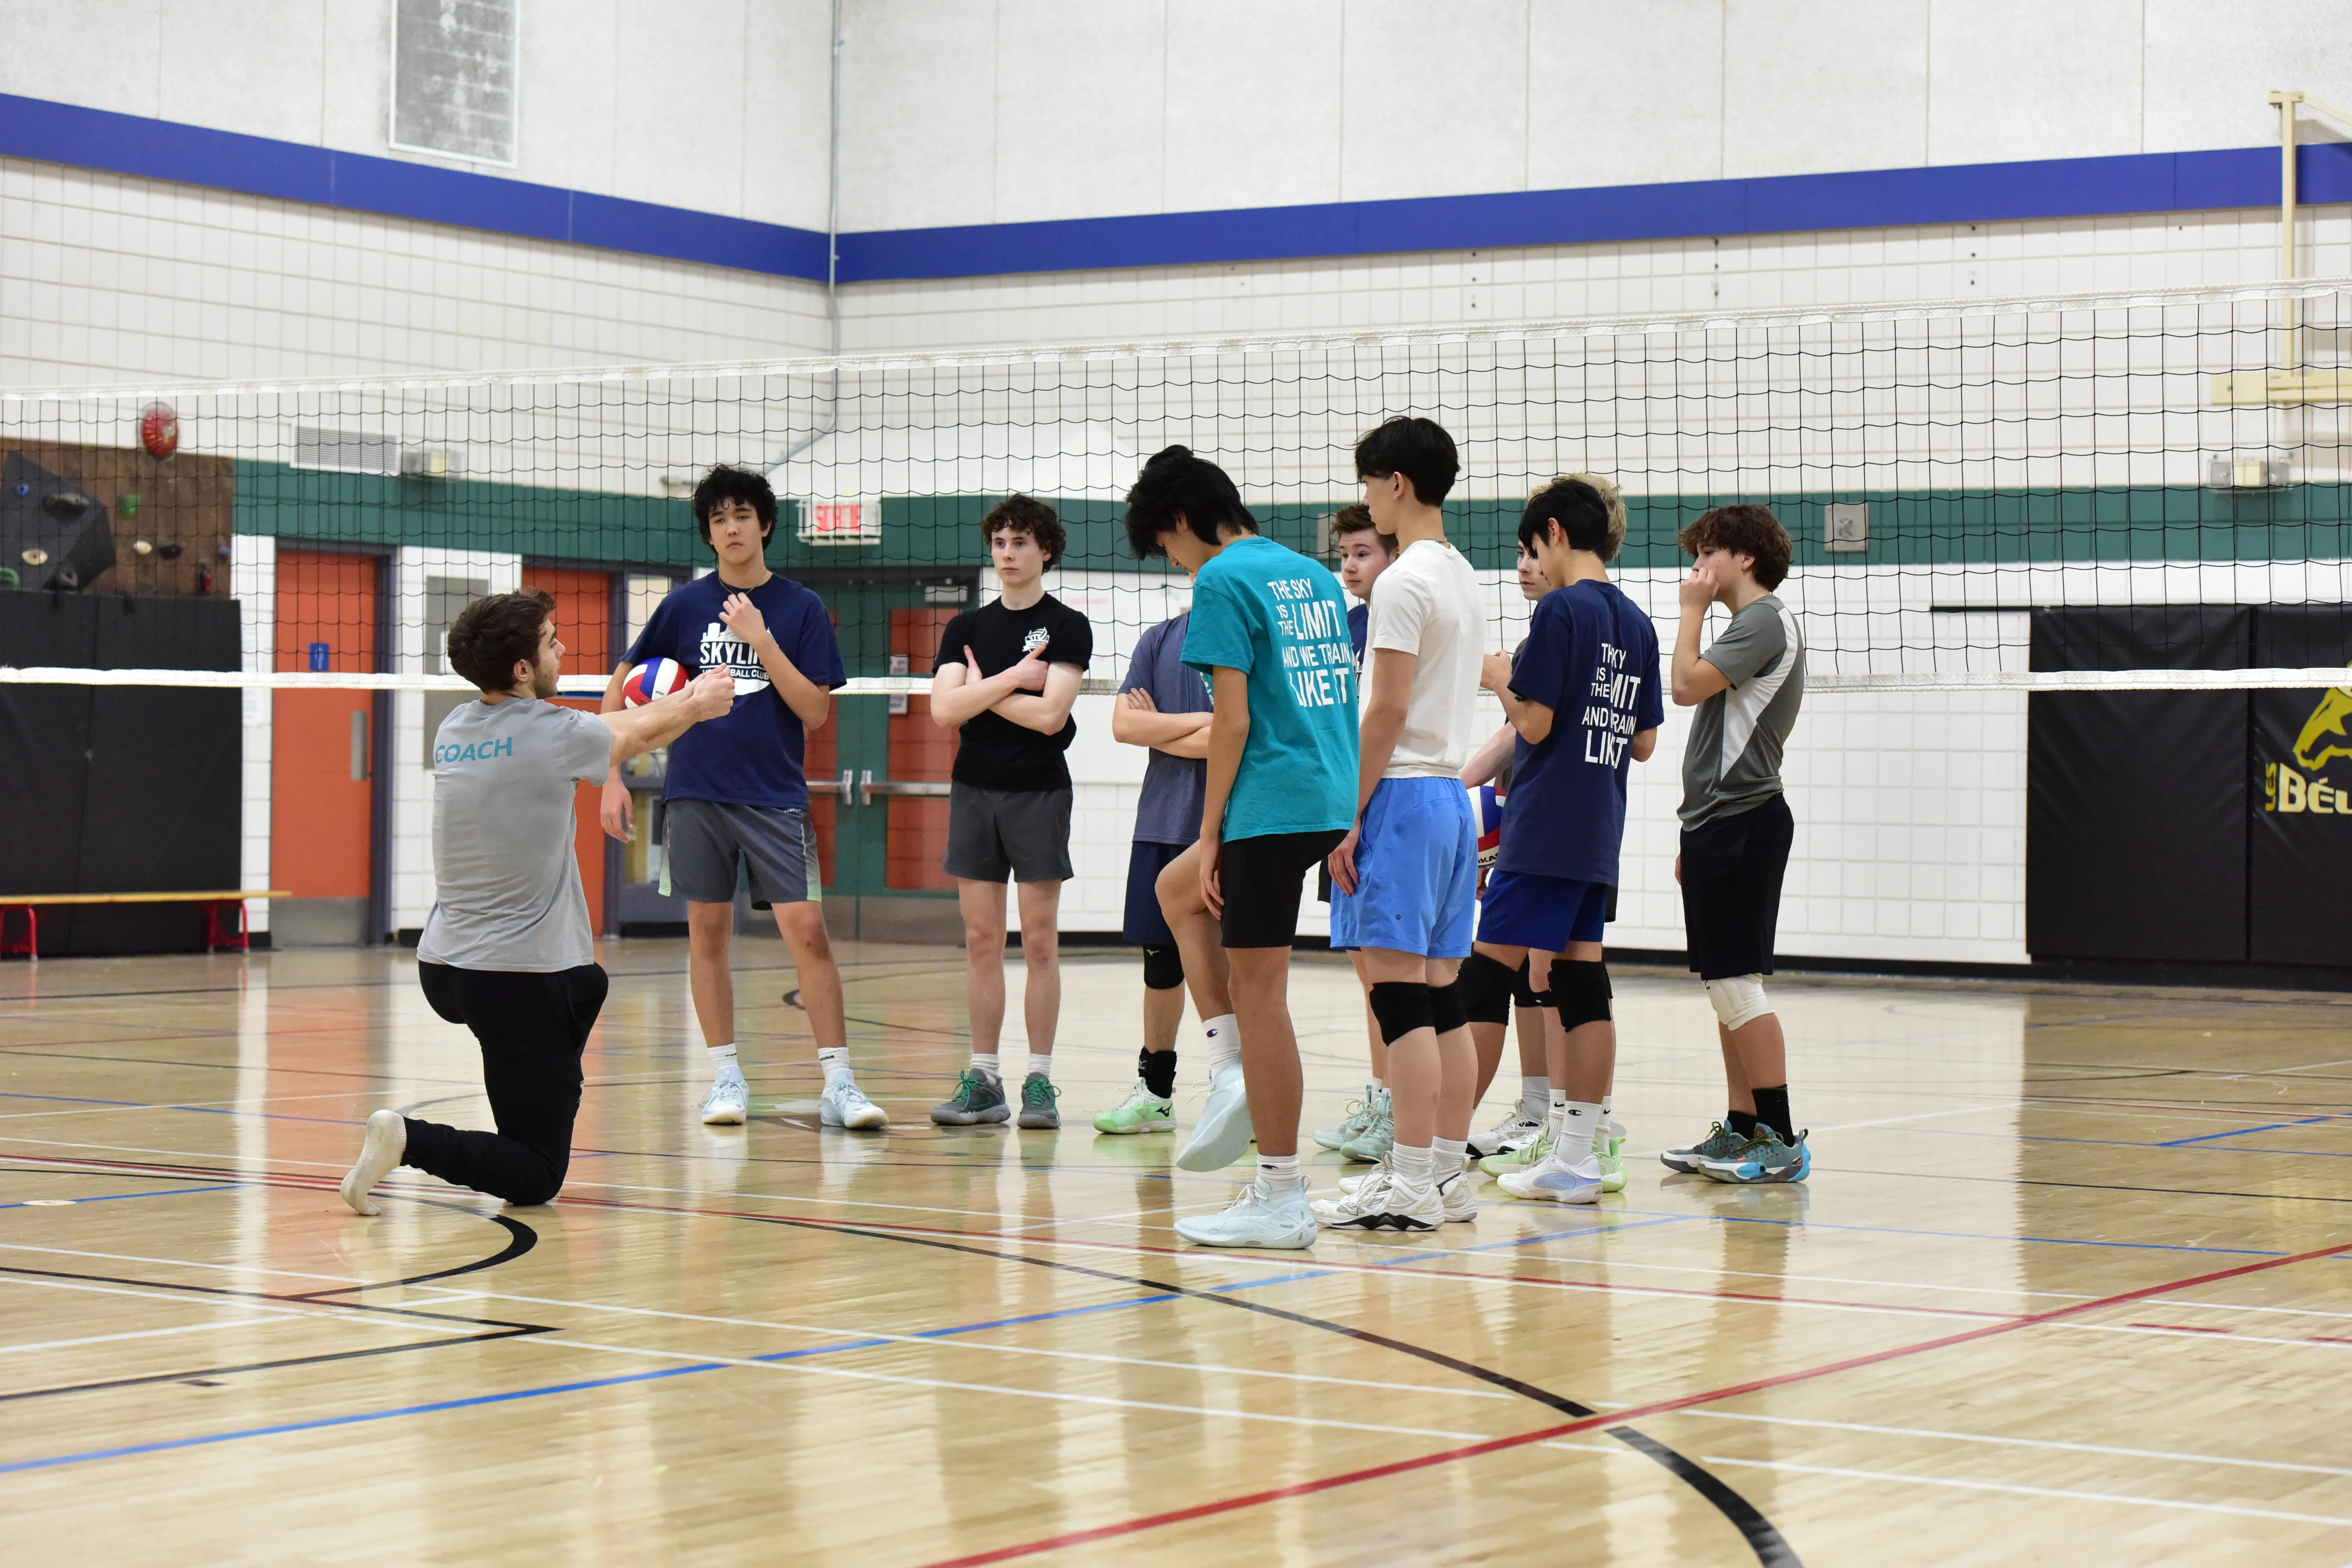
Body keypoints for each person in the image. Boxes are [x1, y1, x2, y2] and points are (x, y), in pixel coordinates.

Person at [341, 589, 735, 1214]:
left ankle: (546, 1078)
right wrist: (699, 701)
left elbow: (620, 729)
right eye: (552, 641)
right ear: (522, 669)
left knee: (588, 984)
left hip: (445, 967)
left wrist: (675, 708)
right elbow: (635, 732)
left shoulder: (457, 727)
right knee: (537, 1173)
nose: (563, 649)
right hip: (513, 979)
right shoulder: (553, 733)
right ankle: (408, 1140)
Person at [1124, 445, 1357, 1250]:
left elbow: (1232, 721)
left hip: (1269, 803)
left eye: (1165, 546)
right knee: (1175, 893)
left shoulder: (1221, 580)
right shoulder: (1313, 575)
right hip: (1324, 792)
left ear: (1182, 522)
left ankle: (1283, 1194)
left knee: (1264, 1000)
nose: (1172, 560)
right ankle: (1227, 1071)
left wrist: (1212, 826)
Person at [600, 466, 879, 1131]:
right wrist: (612, 777)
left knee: (808, 934)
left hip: (774, 795)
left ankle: (839, 1083)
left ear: (766, 524)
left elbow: (814, 712)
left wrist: (761, 639)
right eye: (719, 519)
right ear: (710, 532)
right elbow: (617, 695)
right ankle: (725, 1075)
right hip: (696, 791)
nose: (731, 528)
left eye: (742, 516)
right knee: (708, 935)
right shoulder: (683, 608)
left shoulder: (801, 608)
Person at [1455, 477, 1662, 1205]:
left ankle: (1438, 1160)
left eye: (1530, 546)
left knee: (1484, 976)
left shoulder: (1560, 611)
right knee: (1577, 979)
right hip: (1598, 827)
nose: (1529, 559)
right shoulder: (1636, 622)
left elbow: (1534, 725)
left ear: (1551, 533)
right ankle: (1578, 1156)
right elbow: (1643, 744)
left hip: (1543, 828)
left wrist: (1500, 679)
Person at [1314, 417, 1486, 1231]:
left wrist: (1345, 817)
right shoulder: (1463, 573)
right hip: (1452, 799)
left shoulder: (1402, 581)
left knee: (1400, 1003)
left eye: (1368, 484)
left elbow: (1383, 709)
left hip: (1404, 798)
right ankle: (1447, 1176)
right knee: (1441, 1000)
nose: (1364, 501)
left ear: (1397, 486)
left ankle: (1411, 1180)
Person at [926, 495, 1093, 1130]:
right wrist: (1013, 679)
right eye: (1000, 542)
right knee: (980, 940)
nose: (1008, 553)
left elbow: (1052, 717)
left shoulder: (1069, 625)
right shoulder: (965, 627)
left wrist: (977, 690)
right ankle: (984, 1078)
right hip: (974, 790)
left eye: (1021, 542)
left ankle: (1041, 1082)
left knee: (1042, 941)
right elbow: (944, 713)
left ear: (1045, 550)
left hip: (1039, 793)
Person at [1662, 502, 1810, 1184]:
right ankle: (1744, 1129)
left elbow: (1686, 687)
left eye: (1705, 556)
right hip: (1718, 824)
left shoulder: (1762, 620)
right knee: (1727, 986)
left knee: (1737, 986)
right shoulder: (1750, 626)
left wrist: (1690, 608)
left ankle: (1778, 1138)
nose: (1696, 570)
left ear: (1743, 557)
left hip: (1743, 820)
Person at [1095, 598, 1212, 1135]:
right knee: (1160, 966)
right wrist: (1203, 724)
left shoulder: (1252, 632)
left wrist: (1159, 724)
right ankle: (1155, 1093)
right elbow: (1123, 725)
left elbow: (1238, 732)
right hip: (1161, 821)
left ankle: (1245, 1094)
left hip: (1229, 826)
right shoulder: (1158, 638)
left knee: (1236, 968)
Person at [1312, 504, 1402, 1164]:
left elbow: (1384, 717)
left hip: (1374, 804)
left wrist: (1356, 812)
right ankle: (1381, 1098)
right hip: (1342, 798)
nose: (1349, 563)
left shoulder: (1395, 622)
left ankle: (1399, 1109)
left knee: (1389, 970)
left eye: (1364, 552)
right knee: (1363, 966)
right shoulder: (1347, 624)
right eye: (1345, 552)